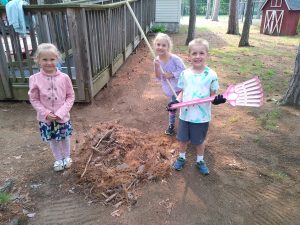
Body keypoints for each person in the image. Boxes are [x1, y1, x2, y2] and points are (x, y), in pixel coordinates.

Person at [167, 38, 226, 175]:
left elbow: (212, 96)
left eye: (201, 53)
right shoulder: (185, 74)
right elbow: (182, 92)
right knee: (182, 139)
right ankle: (181, 158)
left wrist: (216, 100)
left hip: (201, 117)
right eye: (194, 53)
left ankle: (200, 160)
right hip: (185, 115)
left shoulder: (211, 75)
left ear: (207, 55)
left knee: (199, 141)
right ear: (189, 56)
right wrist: (175, 101)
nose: (197, 56)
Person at [28, 43, 75, 172]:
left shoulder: (64, 78)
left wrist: (61, 113)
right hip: (46, 119)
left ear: (57, 59)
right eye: (44, 59)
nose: (48, 63)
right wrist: (45, 113)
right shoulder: (34, 79)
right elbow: (34, 99)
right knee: (53, 140)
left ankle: (67, 157)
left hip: (62, 117)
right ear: (38, 60)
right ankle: (58, 159)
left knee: (65, 138)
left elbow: (70, 96)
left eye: (52, 59)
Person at [153, 32, 185, 136]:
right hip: (171, 90)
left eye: (163, 45)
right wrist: (157, 67)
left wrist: (171, 74)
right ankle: (171, 125)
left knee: (183, 107)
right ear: (155, 45)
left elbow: (184, 71)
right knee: (172, 107)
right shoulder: (157, 61)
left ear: (168, 46)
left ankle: (185, 125)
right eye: (158, 44)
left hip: (181, 87)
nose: (160, 47)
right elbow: (158, 76)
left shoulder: (175, 59)